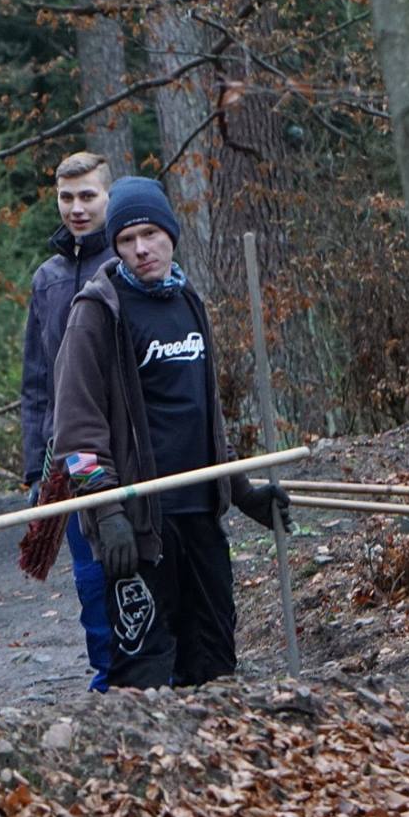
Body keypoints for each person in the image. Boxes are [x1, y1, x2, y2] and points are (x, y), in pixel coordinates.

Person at [50, 176, 288, 689]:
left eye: (151, 234)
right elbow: (75, 431)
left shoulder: (188, 301)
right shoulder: (97, 312)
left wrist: (242, 489)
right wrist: (106, 511)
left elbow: (205, 414)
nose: (141, 249)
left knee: (214, 665)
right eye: (126, 239)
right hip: (140, 528)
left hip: (201, 519)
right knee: (144, 676)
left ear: (171, 235)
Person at [18, 151, 116, 689]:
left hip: (127, 447)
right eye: (66, 197)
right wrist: (35, 467)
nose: (77, 208)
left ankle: (151, 671)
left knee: (137, 556)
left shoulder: (126, 262)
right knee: (90, 571)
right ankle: (107, 676)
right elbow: (36, 382)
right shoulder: (48, 279)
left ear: (108, 197)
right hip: (72, 454)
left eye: (88, 196)